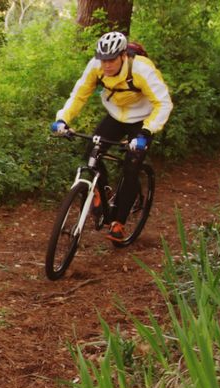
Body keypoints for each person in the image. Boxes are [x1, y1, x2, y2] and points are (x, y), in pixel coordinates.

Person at [51, 31, 173, 242]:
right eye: (103, 60)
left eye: (111, 60)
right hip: (116, 115)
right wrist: (63, 119)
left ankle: (119, 222)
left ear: (123, 55)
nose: (106, 65)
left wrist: (146, 132)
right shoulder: (96, 66)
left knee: (131, 165)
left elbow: (164, 103)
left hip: (142, 120)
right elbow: (79, 94)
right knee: (91, 151)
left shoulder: (142, 69)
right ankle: (102, 190)